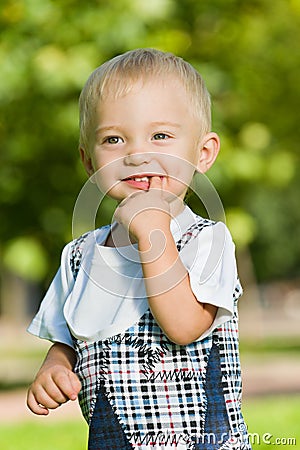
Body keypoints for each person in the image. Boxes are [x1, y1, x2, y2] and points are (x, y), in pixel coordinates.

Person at [27, 48, 251, 449]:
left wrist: (153, 235)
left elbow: (185, 328)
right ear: (88, 161)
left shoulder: (206, 240)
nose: (136, 154)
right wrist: (55, 367)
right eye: (113, 139)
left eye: (160, 136)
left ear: (203, 154)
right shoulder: (79, 256)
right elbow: (66, 339)